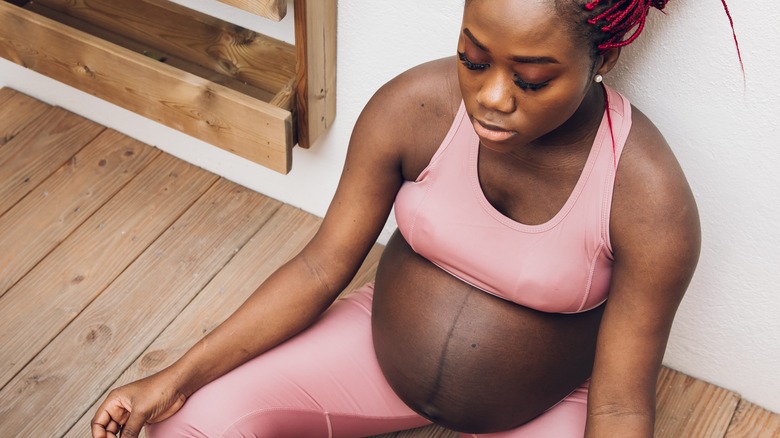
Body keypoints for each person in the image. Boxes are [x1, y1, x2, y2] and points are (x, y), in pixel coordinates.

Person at [91, 0, 738, 436]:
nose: (489, 97)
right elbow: (320, 267)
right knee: (195, 422)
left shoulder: (647, 196)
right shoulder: (415, 108)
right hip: (376, 354)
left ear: (604, 62)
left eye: (533, 80)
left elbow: (623, 399)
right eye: (474, 58)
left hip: (540, 410)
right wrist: (174, 380)